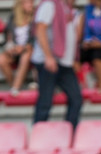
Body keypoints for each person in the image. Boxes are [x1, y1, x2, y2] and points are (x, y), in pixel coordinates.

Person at [32, 0, 83, 128]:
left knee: (76, 99)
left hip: (64, 62)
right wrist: (48, 57)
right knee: (45, 101)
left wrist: (73, 59)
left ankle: (69, 132)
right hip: (49, 60)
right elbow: (40, 30)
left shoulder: (65, 7)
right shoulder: (49, 4)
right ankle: (38, 135)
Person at [0, 0, 35, 95]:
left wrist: (23, 48)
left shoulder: (35, 18)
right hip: (15, 50)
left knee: (26, 55)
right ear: (21, 5)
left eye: (31, 3)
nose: (30, 5)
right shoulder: (12, 18)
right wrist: (10, 47)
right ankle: (13, 85)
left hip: (29, 49)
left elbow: (35, 38)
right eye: (28, 3)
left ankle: (16, 87)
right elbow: (7, 37)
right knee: (1, 59)